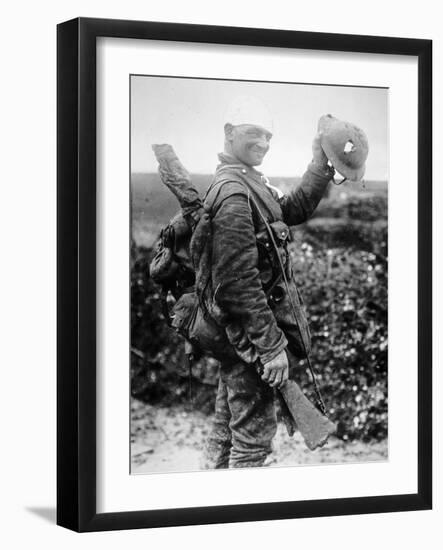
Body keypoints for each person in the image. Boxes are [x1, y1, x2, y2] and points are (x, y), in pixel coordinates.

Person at [200, 96, 335, 469]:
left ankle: (203, 499)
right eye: (253, 134)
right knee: (252, 443)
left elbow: (291, 209)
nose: (263, 143)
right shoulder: (234, 196)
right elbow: (236, 284)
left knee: (227, 428)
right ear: (229, 133)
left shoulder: (248, 183)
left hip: (240, 337)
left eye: (268, 136)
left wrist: (320, 161)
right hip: (252, 339)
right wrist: (272, 348)